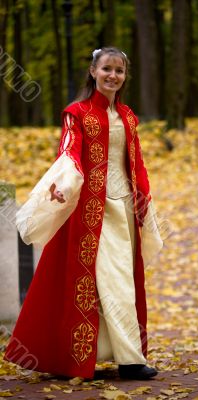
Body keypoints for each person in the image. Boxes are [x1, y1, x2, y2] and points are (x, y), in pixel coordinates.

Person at [4, 47, 163, 380]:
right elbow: (69, 152)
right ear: (93, 71)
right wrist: (62, 185)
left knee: (124, 282)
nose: (113, 76)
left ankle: (121, 353)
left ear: (124, 76)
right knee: (111, 280)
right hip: (92, 211)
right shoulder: (76, 113)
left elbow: (136, 162)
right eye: (106, 68)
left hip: (123, 209)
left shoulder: (129, 117)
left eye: (119, 71)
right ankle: (128, 360)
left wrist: (144, 199)